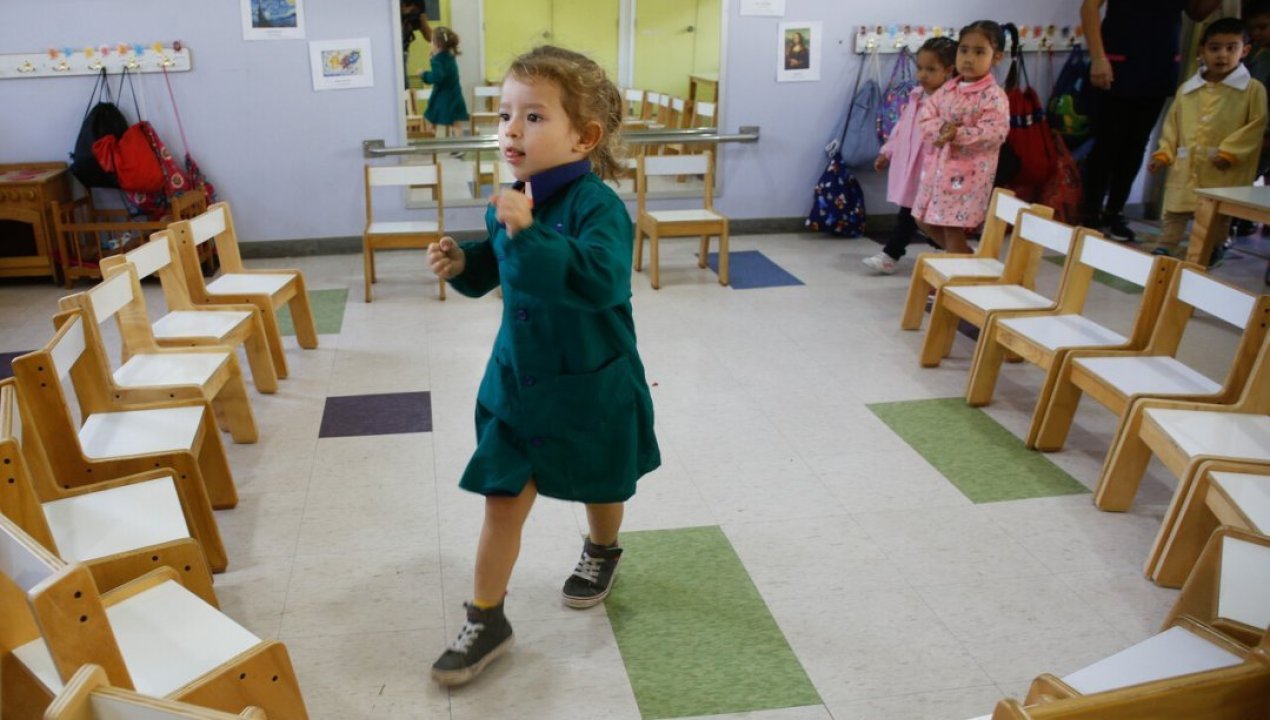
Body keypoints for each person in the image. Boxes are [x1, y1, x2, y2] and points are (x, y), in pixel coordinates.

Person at [425, 45, 661, 687]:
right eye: (505, 113)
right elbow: (502, 269)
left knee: (602, 481)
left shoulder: (597, 208)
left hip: (590, 382)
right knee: (502, 498)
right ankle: (486, 616)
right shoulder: (513, 198)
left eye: (533, 116)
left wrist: (529, 235)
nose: (510, 129)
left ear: (585, 136)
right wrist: (467, 264)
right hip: (518, 386)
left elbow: (602, 281)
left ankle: (602, 547)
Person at [1080, 0, 1224, 242]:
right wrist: (1098, 57)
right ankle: (1090, 213)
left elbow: (1197, 13)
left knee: (1136, 144)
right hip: (1118, 61)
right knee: (1108, 141)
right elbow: (1089, 7)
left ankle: (1114, 212)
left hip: (1159, 64)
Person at [1147, 17, 1268, 257]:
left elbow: (1256, 125)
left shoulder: (1252, 89)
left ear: (1245, 50)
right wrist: (1164, 152)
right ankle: (1166, 245)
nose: (1222, 55)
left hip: (1223, 167)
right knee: (1176, 208)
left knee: (1218, 212)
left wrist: (1230, 152)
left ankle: (1214, 247)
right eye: (1214, 48)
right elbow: (1173, 124)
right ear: (1202, 51)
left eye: (1231, 48)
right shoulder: (1188, 89)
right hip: (1187, 162)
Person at [911, 20, 1010, 255]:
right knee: (923, 220)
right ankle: (965, 258)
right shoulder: (949, 88)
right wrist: (943, 129)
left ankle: (953, 280)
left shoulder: (993, 96)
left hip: (966, 176)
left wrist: (959, 134)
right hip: (937, 172)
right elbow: (926, 117)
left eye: (979, 52)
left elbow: (995, 132)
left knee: (950, 227)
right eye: (963, 50)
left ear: (996, 57)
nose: (968, 58)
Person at [863, 37, 957, 275]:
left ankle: (937, 251)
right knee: (907, 213)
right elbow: (902, 129)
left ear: (948, 70)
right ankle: (891, 255)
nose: (923, 75)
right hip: (912, 168)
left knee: (932, 214)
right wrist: (887, 151)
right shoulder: (916, 96)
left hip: (934, 168)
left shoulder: (951, 101)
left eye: (931, 69)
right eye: (920, 68)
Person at [422, 26, 468, 137]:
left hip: (444, 97)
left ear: (438, 45)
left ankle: (433, 140)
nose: (430, 44)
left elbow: (437, 76)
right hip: (454, 94)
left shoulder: (439, 59)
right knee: (454, 122)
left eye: (432, 41)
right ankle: (458, 146)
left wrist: (424, 75)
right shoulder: (449, 56)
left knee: (431, 116)